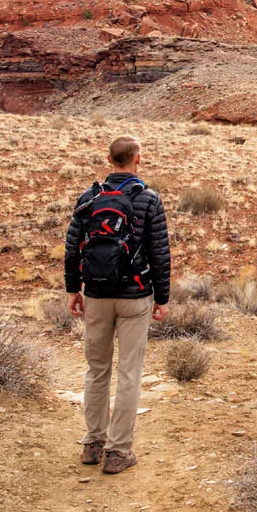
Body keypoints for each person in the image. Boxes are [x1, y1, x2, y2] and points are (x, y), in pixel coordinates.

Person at [64, 134, 171, 475]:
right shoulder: (149, 199)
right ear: (138, 159)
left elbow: (72, 246)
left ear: (109, 160)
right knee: (129, 373)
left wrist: (73, 290)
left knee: (96, 371)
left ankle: (93, 443)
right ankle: (118, 451)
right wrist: (163, 298)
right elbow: (160, 254)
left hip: (95, 294)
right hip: (135, 296)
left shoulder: (90, 197)